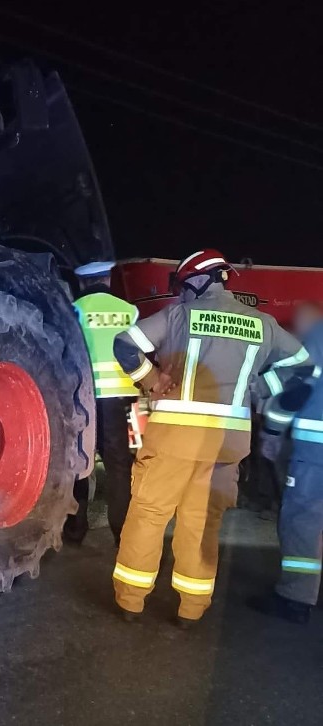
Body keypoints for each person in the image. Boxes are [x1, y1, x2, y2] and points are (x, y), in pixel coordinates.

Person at [110, 249, 308, 628]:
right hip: (227, 445)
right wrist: (259, 386)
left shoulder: (178, 315)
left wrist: (151, 380)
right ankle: (191, 609)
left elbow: (124, 343)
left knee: (150, 513)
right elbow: (301, 364)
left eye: (183, 286)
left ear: (198, 281)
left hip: (175, 438)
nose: (181, 294)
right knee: (202, 523)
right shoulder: (263, 324)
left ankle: (131, 602)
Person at [248, 305, 323, 624]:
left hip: (316, 450)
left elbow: (298, 386)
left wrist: (272, 430)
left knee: (302, 523)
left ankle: (296, 597)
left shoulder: (318, 337)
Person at [64, 261, 138, 546]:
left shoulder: (75, 309)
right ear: (108, 280)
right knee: (119, 465)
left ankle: (75, 529)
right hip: (119, 397)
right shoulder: (129, 311)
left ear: (82, 283)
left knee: (80, 461)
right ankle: (123, 533)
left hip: (83, 396)